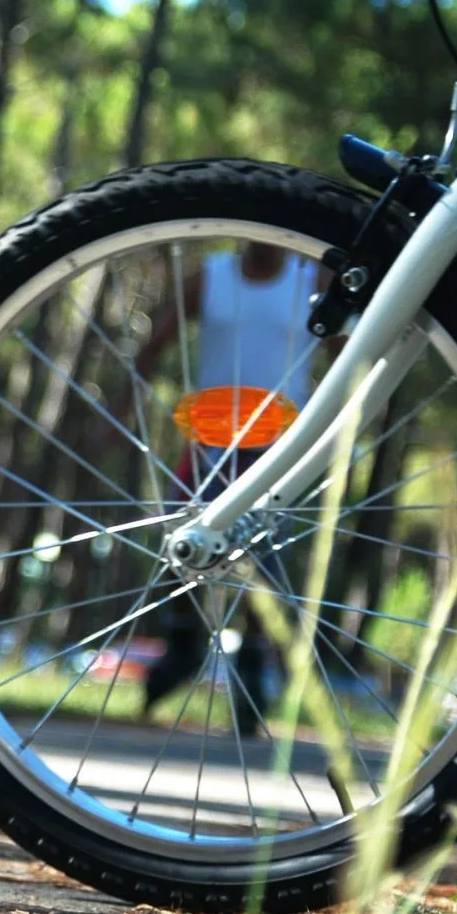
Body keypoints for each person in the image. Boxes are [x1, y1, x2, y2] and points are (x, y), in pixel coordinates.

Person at [131, 244, 323, 729]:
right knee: (182, 539)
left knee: (264, 558)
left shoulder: (311, 281)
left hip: (280, 441)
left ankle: (253, 667)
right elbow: (155, 344)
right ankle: (183, 643)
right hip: (212, 437)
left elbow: (349, 354)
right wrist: (122, 410)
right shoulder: (210, 276)